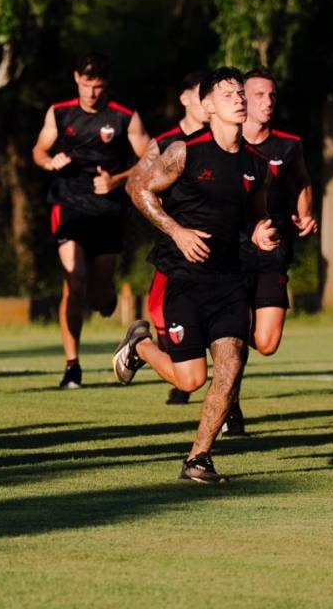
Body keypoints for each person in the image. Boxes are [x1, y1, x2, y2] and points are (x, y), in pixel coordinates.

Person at [114, 67, 278, 483]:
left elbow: (257, 213)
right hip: (181, 276)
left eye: (241, 92)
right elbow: (140, 190)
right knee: (192, 378)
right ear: (208, 106)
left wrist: (260, 232)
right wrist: (177, 230)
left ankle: (198, 458)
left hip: (229, 279)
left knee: (232, 365)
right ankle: (140, 346)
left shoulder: (257, 164)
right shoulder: (185, 151)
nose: (239, 99)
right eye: (227, 94)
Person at [32, 53, 150, 388]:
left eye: (98, 86)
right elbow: (38, 151)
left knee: (98, 296)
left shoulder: (125, 117)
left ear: (106, 86)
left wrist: (118, 180)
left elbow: (153, 158)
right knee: (74, 279)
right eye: (86, 85)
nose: (91, 93)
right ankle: (72, 365)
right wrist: (49, 161)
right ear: (76, 79)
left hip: (109, 211)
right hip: (68, 205)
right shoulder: (60, 112)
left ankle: (105, 298)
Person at [222, 68, 318, 436]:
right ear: (243, 98)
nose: (267, 102)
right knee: (234, 331)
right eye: (259, 95)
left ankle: (226, 357)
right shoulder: (225, 144)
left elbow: (303, 181)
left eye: (272, 96)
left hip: (274, 251)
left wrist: (305, 214)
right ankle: (229, 401)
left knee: (266, 342)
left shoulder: (288, 144)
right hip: (232, 252)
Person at [129, 70, 209, 406]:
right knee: (165, 319)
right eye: (201, 95)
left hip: (221, 249)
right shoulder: (165, 144)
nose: (209, 103)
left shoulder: (223, 140)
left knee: (227, 326)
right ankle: (148, 351)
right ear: (185, 98)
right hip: (177, 248)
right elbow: (137, 186)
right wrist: (173, 226)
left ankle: (230, 409)